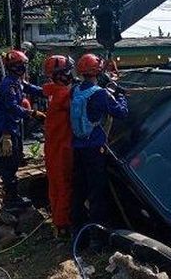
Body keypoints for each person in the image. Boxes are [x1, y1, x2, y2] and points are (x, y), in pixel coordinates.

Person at [71, 53, 128, 241]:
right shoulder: (101, 94)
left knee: (79, 189)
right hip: (95, 149)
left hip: (77, 147)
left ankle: (77, 232)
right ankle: (98, 237)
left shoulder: (75, 90)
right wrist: (120, 95)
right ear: (99, 71)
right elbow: (121, 113)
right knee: (97, 191)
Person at [0, 49, 45, 209]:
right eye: (21, 65)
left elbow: (32, 89)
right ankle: (11, 199)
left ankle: (13, 196)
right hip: (5, 131)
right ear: (14, 67)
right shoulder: (8, 85)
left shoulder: (17, 82)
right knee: (8, 163)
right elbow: (12, 107)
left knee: (15, 160)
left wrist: (50, 90)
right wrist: (33, 113)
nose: (24, 68)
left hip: (13, 128)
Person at [42, 55, 76, 240]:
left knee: (55, 186)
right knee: (65, 186)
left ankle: (58, 221)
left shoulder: (51, 91)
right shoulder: (64, 94)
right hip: (63, 146)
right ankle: (63, 226)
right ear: (62, 74)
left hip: (53, 146)